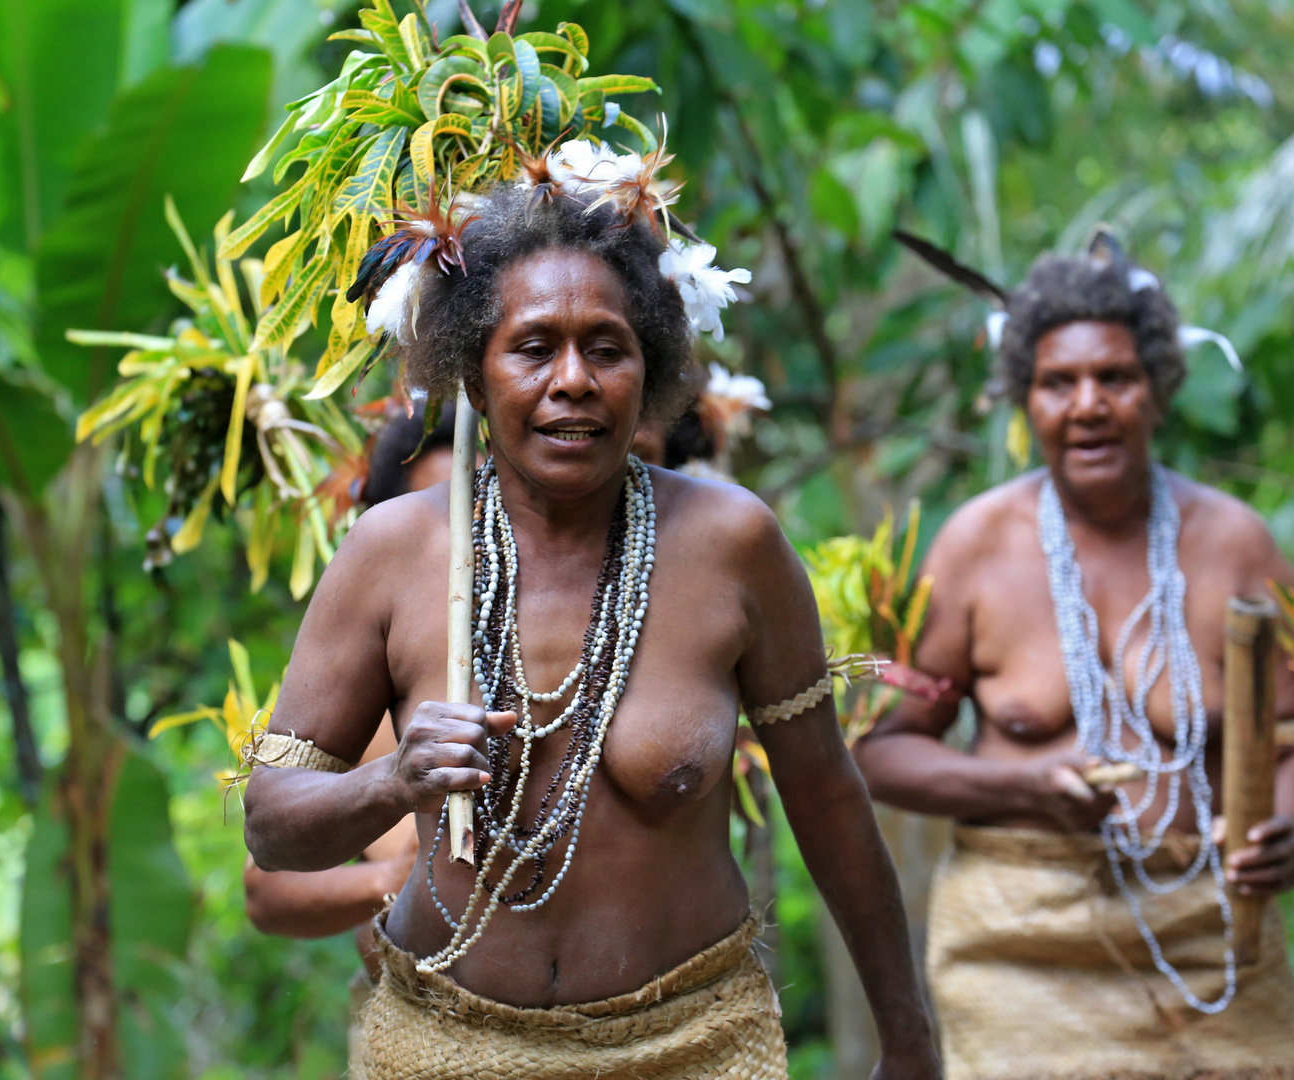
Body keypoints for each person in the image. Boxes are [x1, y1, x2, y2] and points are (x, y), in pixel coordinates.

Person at [241, 181, 938, 1079]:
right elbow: (272, 828)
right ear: (471, 373)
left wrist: (908, 1036)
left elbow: (827, 796)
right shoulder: (393, 552)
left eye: (605, 348)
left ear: (648, 369)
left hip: (695, 1043)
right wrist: (395, 781)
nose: (572, 378)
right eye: (533, 347)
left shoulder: (734, 546)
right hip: (442, 1045)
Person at [855, 240, 1294, 1080]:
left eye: (1114, 377)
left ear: (1158, 388)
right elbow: (882, 750)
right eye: (1057, 383)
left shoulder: (1235, 545)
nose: (1088, 405)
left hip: (1213, 937)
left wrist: (1286, 829)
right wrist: (1020, 787)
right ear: (1024, 400)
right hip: (1018, 940)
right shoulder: (976, 547)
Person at [241, 410, 456, 1068]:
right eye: (443, 512)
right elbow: (266, 886)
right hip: (411, 1039)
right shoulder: (351, 693)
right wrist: (406, 878)